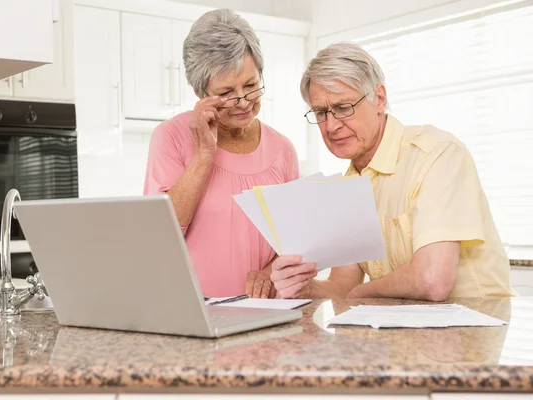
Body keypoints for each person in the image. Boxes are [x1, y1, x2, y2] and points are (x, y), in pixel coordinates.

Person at [270, 42, 514, 301]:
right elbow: (341, 287)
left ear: (380, 99)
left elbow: (433, 280)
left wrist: (362, 292)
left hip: (476, 329)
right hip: (406, 333)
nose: (331, 127)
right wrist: (302, 288)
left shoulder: (437, 154)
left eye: (343, 108)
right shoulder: (349, 184)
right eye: (320, 112)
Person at [144, 9, 300, 298]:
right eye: (226, 92)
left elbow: (295, 242)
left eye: (251, 85)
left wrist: (269, 274)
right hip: (192, 313)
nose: (243, 102)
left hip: (264, 314)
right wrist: (204, 152)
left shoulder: (283, 150)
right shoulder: (171, 138)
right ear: (199, 91)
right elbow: (160, 236)